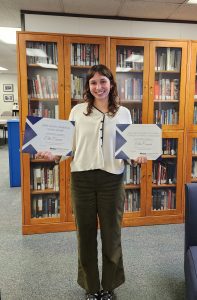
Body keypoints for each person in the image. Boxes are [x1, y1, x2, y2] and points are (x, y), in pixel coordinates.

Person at [36, 64, 147, 300]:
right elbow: (69, 145)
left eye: (103, 82)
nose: (99, 87)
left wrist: (137, 156)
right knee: (85, 235)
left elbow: (127, 148)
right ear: (88, 86)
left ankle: (109, 286)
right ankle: (91, 287)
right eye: (93, 82)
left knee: (111, 235)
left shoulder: (124, 113)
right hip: (82, 180)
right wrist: (54, 155)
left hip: (112, 179)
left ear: (111, 84)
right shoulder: (77, 111)